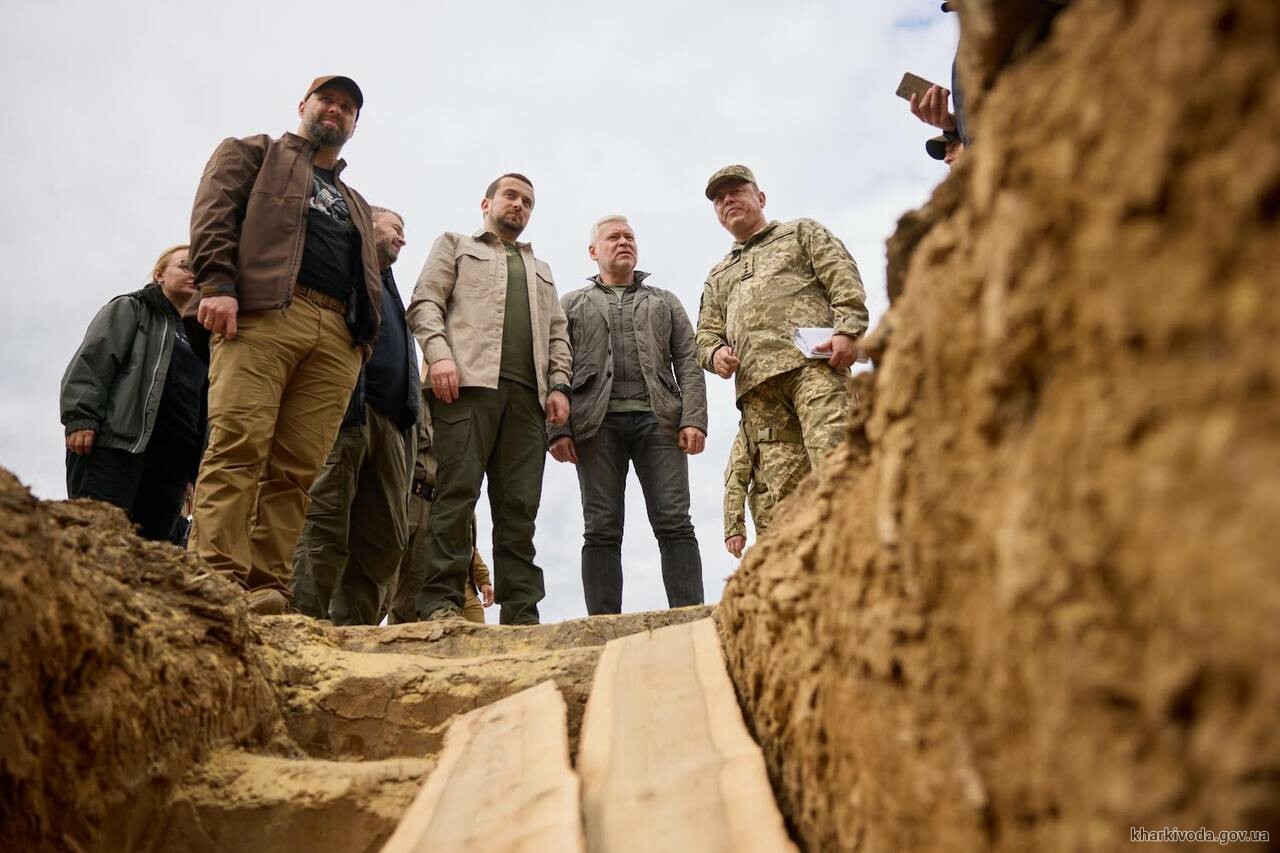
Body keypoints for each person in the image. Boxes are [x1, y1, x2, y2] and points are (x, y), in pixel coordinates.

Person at [188, 75, 382, 614]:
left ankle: (266, 585)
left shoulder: (355, 202)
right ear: (303, 106)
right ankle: (217, 577)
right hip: (266, 314)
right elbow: (213, 215)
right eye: (328, 101)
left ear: (354, 124)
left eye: (347, 108)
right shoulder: (252, 153)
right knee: (238, 444)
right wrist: (218, 286)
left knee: (297, 470)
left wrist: (362, 342)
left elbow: (368, 275)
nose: (336, 112)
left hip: (337, 337)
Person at [406, 173, 571, 625]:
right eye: (511, 196)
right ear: (487, 203)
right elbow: (425, 303)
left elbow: (558, 332)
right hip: (465, 390)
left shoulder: (542, 269)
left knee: (519, 507)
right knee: (455, 496)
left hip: (527, 401)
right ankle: (440, 602)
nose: (519, 205)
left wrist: (558, 385)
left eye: (528, 202)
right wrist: (439, 356)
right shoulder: (456, 245)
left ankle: (522, 613)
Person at [550, 215, 707, 615]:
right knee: (600, 528)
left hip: (660, 422)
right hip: (594, 426)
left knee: (675, 521)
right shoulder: (571, 304)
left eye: (629, 237)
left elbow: (688, 360)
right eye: (613, 237)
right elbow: (555, 367)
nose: (624, 242)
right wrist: (557, 429)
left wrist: (694, 418)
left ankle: (689, 616)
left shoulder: (664, 300)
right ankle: (603, 624)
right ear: (593, 251)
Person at [696, 165, 868, 511]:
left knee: (837, 464)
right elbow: (705, 333)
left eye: (737, 191)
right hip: (759, 394)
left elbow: (842, 277)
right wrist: (714, 354)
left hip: (814, 369)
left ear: (760, 197)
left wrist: (849, 330)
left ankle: (860, 556)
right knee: (787, 500)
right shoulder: (717, 274)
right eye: (719, 198)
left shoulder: (800, 233)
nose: (727, 200)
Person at [291, 207, 419, 625]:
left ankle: (357, 634)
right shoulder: (343, 263)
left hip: (392, 426)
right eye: (396, 227)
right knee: (325, 520)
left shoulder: (392, 289)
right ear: (368, 222)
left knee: (383, 537)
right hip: (345, 411)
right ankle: (304, 624)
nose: (402, 237)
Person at [60, 245, 206, 543]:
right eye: (186, 265)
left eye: (201, 270)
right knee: (96, 541)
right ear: (160, 275)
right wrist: (80, 417)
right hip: (116, 448)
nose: (194, 275)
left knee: (148, 556)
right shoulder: (132, 308)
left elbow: (201, 409)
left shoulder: (203, 340)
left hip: (170, 468)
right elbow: (94, 359)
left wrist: (192, 473)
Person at [384, 364, 494, 626]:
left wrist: (483, 578)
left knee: (411, 601)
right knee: (385, 587)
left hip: (438, 503)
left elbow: (469, 544)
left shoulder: (458, 409)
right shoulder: (412, 397)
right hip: (408, 498)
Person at [722, 419, 811, 559]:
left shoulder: (809, 412)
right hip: (771, 525)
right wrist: (734, 528)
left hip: (811, 515)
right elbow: (736, 477)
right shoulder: (753, 422)